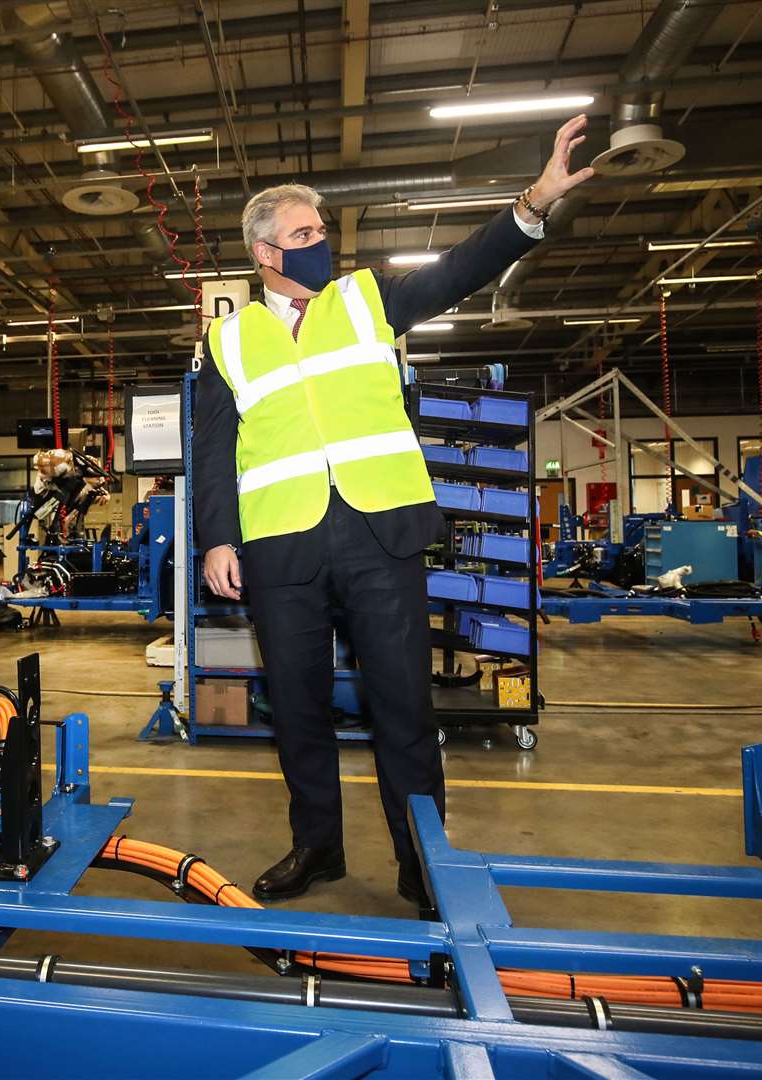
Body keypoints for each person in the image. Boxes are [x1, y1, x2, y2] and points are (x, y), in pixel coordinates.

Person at [191, 115, 596, 908]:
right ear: (265, 254)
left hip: (380, 533)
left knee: (402, 707)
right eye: (303, 232)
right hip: (280, 545)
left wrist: (534, 201)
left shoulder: (368, 297)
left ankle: (422, 862)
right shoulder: (227, 340)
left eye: (320, 227)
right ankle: (316, 847)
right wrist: (216, 539)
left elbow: (460, 269)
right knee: (298, 709)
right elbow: (212, 449)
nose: (320, 241)